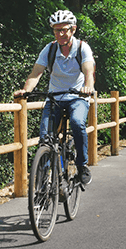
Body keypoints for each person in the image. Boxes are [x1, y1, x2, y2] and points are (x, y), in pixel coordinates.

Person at [14, 10, 95, 184]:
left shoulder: (82, 48)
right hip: (55, 98)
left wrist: (88, 87)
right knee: (46, 138)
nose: (60, 34)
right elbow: (36, 74)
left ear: (73, 29)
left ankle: (81, 165)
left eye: (64, 29)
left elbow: (89, 71)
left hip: (78, 97)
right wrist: (25, 90)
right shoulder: (49, 49)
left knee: (77, 122)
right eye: (57, 30)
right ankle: (46, 179)